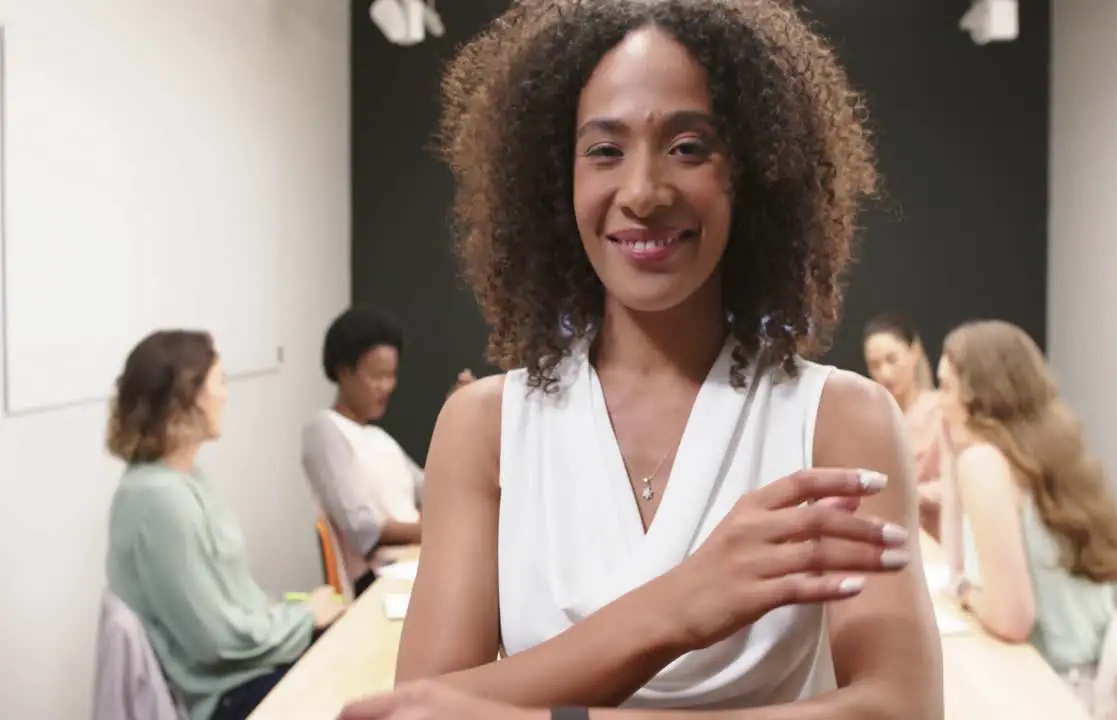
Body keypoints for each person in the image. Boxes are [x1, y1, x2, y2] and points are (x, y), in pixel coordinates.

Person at [339, 2, 943, 720]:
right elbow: (411, 714)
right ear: (554, 181)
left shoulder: (841, 421)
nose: (643, 192)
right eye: (604, 150)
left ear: (753, 171)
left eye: (689, 147)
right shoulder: (486, 429)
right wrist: (674, 610)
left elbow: (901, 709)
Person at [105, 330, 346, 720]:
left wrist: (294, 609)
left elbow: (228, 607)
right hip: (225, 698)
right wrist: (304, 617)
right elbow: (217, 642)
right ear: (186, 398)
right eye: (220, 381)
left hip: (240, 676)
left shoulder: (180, 480)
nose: (226, 395)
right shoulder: (160, 501)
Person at [935, 320, 1117, 706]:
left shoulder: (985, 463)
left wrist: (963, 590)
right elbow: (960, 565)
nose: (938, 402)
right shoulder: (1047, 455)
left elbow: (1011, 618)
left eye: (945, 387)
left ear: (981, 395)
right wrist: (949, 464)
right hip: (1089, 683)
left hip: (1051, 691)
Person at [302, 307, 423, 597]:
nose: (387, 387)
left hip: (411, 564)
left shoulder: (378, 437)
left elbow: (429, 490)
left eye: (391, 376)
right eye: (376, 376)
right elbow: (363, 530)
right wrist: (432, 532)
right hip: (377, 580)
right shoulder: (325, 430)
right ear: (345, 372)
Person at [862, 313, 945, 539]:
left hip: (935, 541)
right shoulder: (871, 421)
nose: (885, 374)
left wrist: (909, 495)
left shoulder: (942, 411)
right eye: (875, 365)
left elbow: (955, 485)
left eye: (892, 359)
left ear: (914, 351)